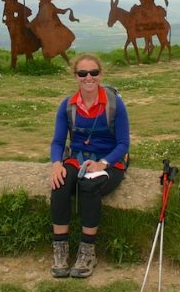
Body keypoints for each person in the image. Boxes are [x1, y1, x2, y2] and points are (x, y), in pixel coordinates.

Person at [49, 53, 129, 278]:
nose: (88, 78)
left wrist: (103, 163)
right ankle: (60, 251)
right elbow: (57, 141)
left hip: (110, 160)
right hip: (79, 158)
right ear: (76, 76)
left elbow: (123, 144)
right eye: (82, 73)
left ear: (100, 75)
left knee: (88, 186)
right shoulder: (67, 106)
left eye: (93, 73)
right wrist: (57, 164)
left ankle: (87, 253)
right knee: (60, 183)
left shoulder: (114, 104)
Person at [0, 0, 40, 69]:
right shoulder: (6, 4)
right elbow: (8, 16)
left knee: (20, 46)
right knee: (19, 46)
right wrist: (6, 20)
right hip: (13, 29)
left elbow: (28, 12)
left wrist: (16, 19)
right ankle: (23, 65)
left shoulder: (14, 4)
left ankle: (14, 66)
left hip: (20, 29)